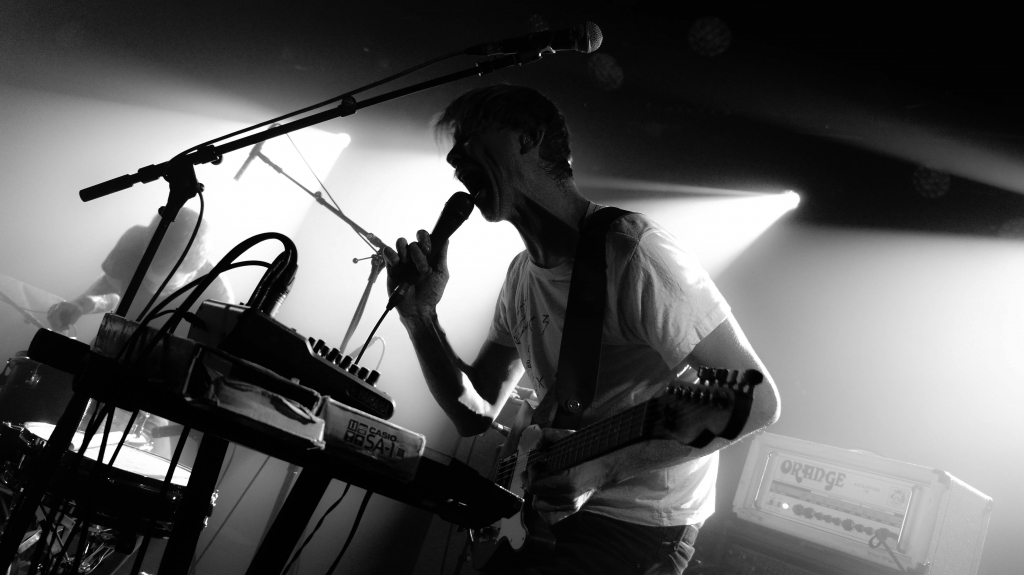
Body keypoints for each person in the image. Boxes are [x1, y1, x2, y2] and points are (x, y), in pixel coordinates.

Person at [383, 85, 781, 575]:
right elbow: (476, 413)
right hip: (547, 512)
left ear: (528, 138)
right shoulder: (519, 276)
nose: (453, 156)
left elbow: (755, 400)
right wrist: (420, 318)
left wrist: (603, 468)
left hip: (637, 528)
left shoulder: (636, 253)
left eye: (470, 135)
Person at [47, 207, 232, 332]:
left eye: (166, 288)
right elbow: (113, 288)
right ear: (145, 246)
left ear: (194, 272)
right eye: (147, 281)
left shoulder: (217, 297)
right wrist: (80, 305)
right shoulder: (133, 241)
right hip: (113, 344)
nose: (152, 289)